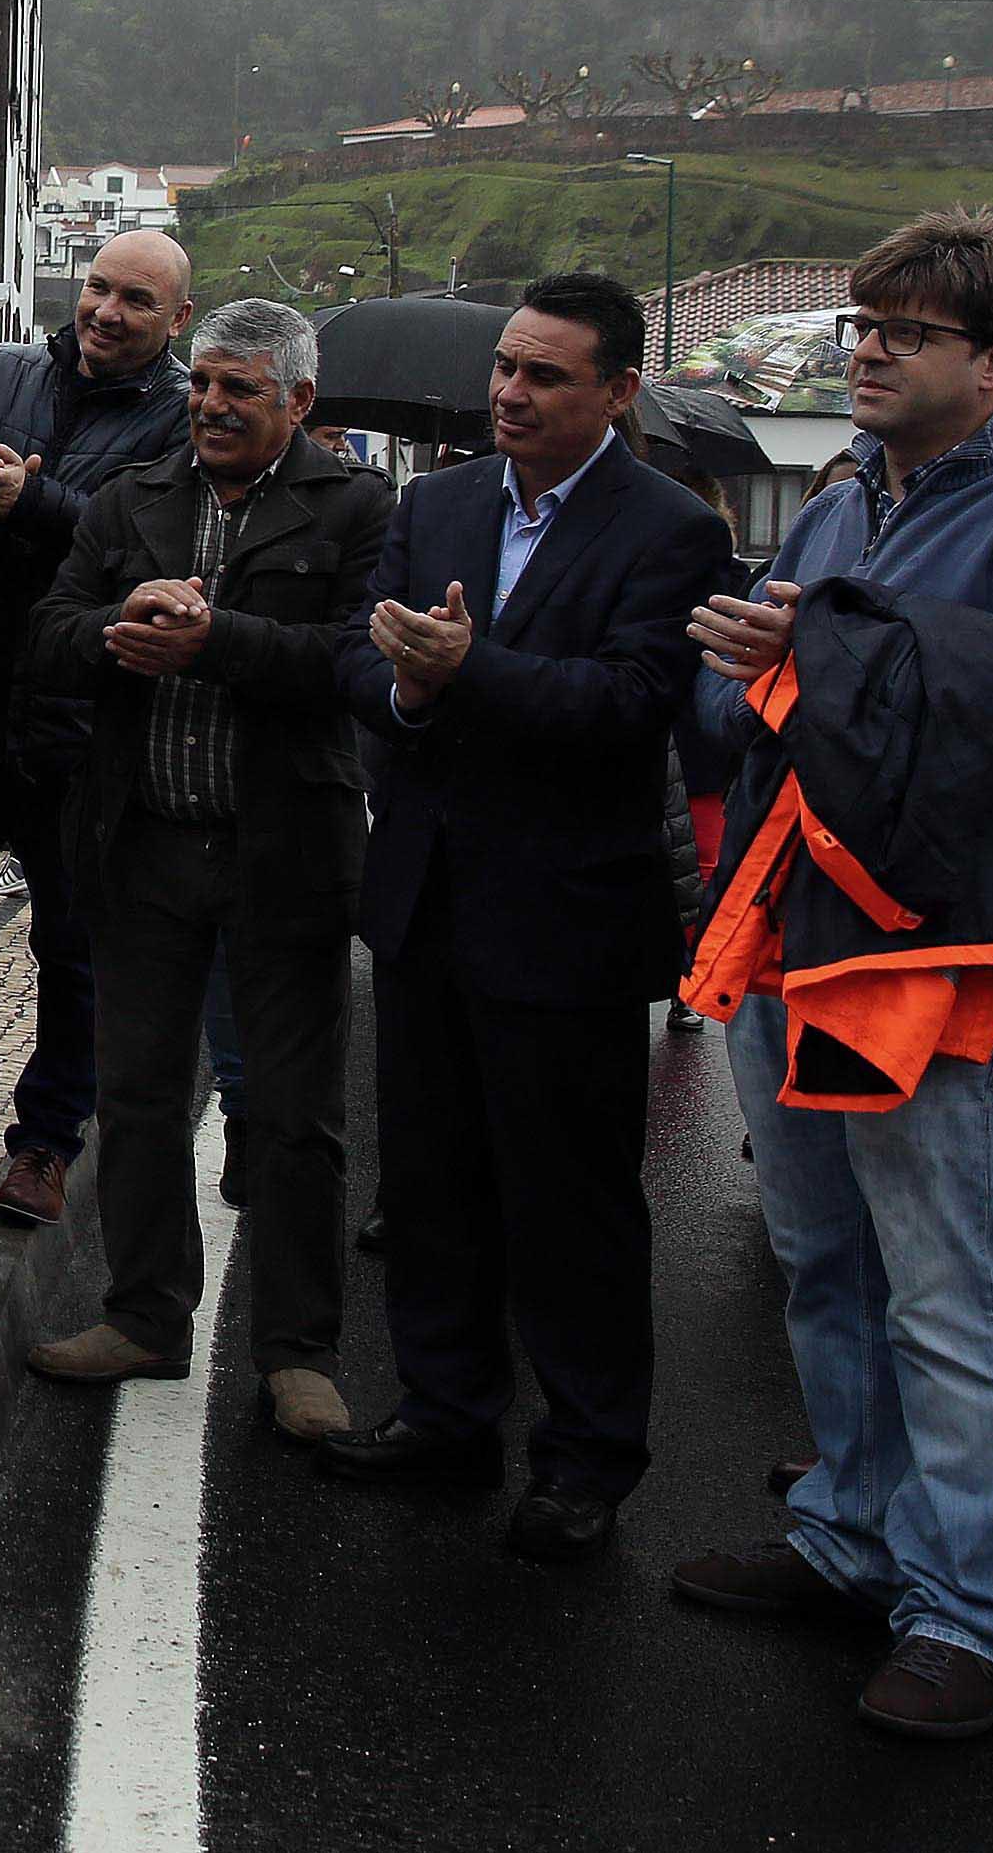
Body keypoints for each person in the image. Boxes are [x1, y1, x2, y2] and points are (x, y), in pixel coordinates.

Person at [671, 211, 993, 1739]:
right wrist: (742, 663)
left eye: (903, 332)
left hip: (940, 957)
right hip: (793, 931)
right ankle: (849, 1536)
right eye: (860, 322)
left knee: (955, 1291)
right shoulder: (842, 501)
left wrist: (829, 644)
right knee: (825, 1263)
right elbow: (779, 713)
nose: (863, 348)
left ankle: (973, 1619)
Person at [321, 274, 735, 1565]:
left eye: (543, 376)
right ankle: (445, 1411)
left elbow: (627, 704)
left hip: (563, 917)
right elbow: (356, 652)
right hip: (428, 899)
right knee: (430, 1185)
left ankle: (583, 1460)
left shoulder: (669, 527)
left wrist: (463, 672)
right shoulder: (434, 501)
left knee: (570, 1208)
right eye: (504, 368)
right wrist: (397, 688)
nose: (506, 392)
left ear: (615, 393)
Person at [19, 299, 385, 1442]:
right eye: (207, 385)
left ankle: (297, 1351)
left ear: (300, 402)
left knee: (291, 1115)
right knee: (135, 1095)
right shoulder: (137, 498)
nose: (214, 406)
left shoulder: (360, 505)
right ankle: (143, 1314)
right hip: (144, 842)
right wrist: (117, 623)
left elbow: (357, 661)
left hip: (284, 852)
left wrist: (214, 640)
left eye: (241, 390)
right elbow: (48, 634)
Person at [0, 233, 197, 1225]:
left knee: (74, 948)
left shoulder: (186, 420)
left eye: (136, 300)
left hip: (85, 716)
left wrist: (31, 496)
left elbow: (149, 538)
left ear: (175, 319)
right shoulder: (0, 373)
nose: (106, 311)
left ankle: (48, 1143)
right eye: (98, 288)